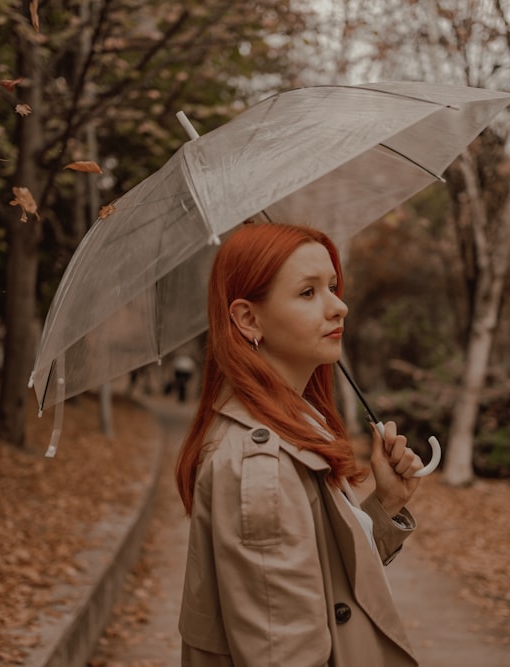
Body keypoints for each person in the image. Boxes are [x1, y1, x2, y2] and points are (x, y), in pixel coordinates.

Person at [174, 222, 425, 666]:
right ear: (248, 319)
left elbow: (327, 582)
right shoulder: (261, 467)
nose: (339, 307)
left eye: (332, 286)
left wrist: (384, 506)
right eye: (309, 293)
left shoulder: (293, 424)